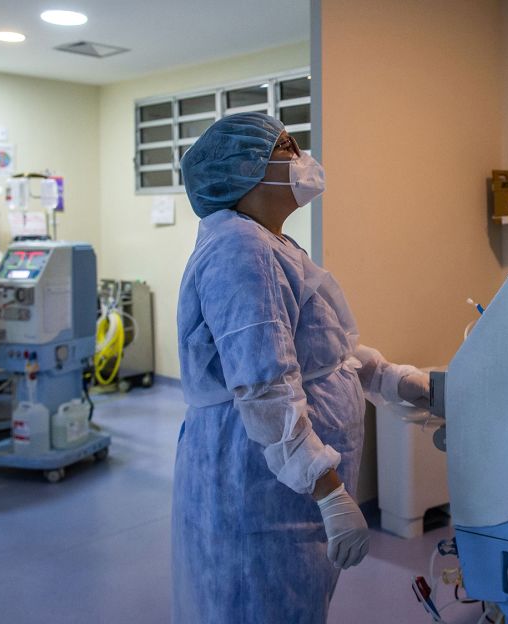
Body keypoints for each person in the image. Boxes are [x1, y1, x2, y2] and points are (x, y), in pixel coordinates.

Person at [173, 112, 431, 623]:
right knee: (259, 606)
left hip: (285, 489)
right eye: (287, 147)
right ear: (245, 171)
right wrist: (329, 492)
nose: (301, 158)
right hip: (263, 487)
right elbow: (265, 385)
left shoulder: (270, 243)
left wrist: (390, 379)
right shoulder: (240, 248)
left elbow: (318, 354)